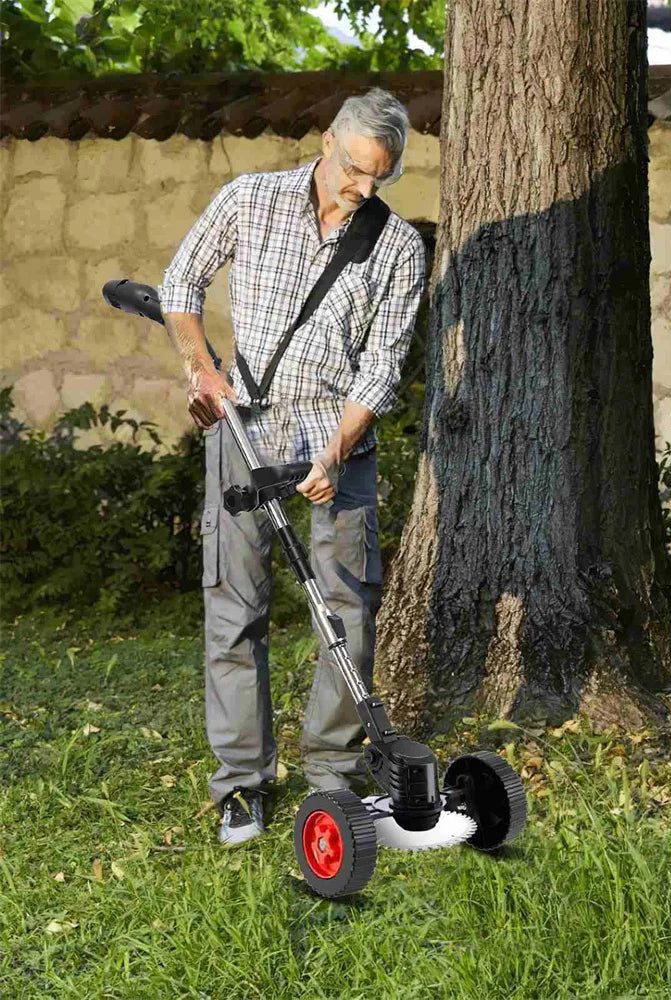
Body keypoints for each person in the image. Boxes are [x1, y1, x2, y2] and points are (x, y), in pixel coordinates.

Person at [158, 88, 426, 846]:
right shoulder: (252, 197)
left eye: (380, 179)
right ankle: (241, 784)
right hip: (244, 434)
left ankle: (333, 776)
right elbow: (180, 284)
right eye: (355, 171)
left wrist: (337, 452)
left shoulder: (398, 246)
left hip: (338, 441)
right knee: (235, 610)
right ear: (328, 141)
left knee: (346, 610)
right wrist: (201, 369)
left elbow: (381, 370)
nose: (363, 190)